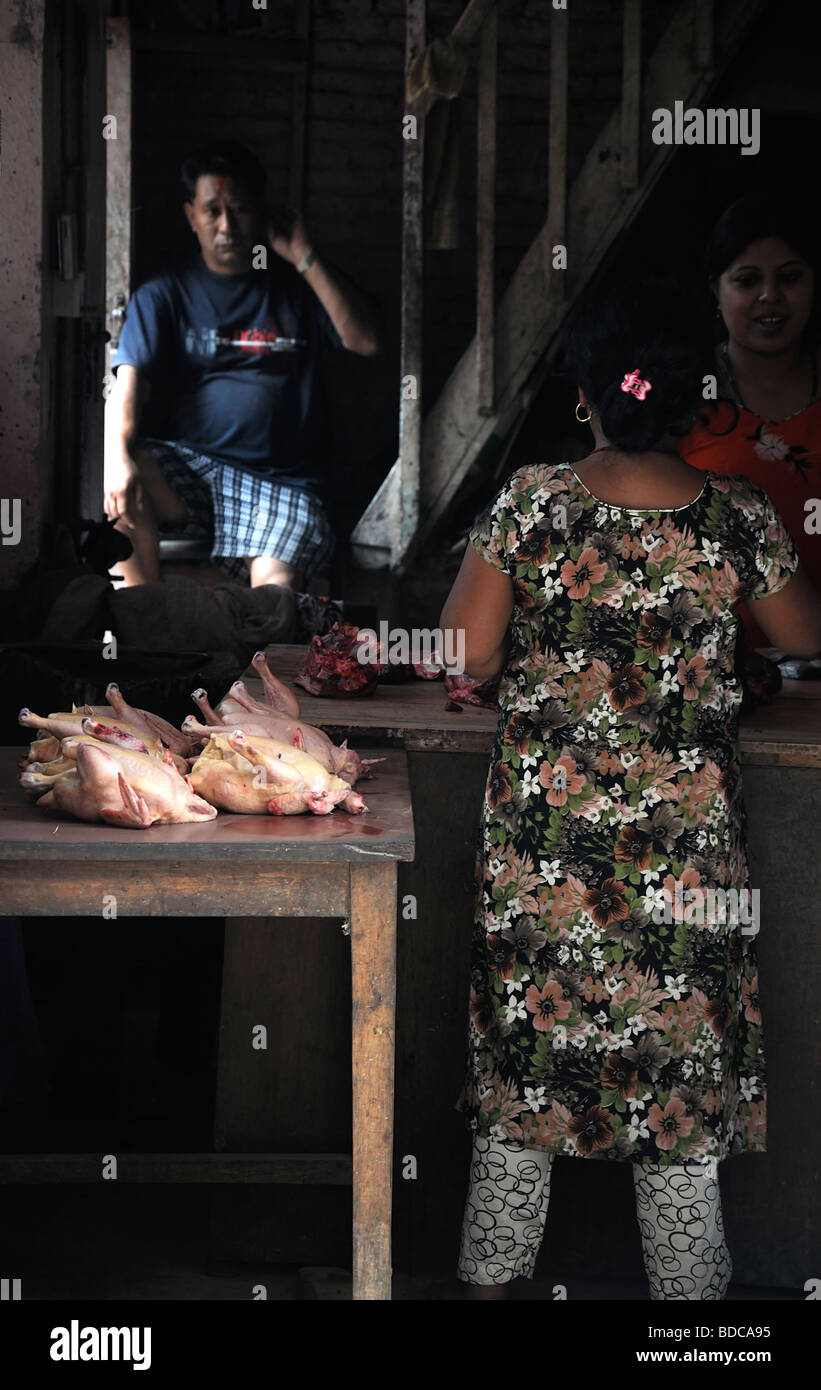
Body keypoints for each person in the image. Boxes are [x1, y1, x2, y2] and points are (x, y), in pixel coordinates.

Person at [440, 274, 821, 1300]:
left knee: (520, 1112)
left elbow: (464, 655)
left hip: (540, 875)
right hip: (682, 885)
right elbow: (803, 638)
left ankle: (490, 1289)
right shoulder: (735, 516)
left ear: (581, 397)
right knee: (677, 1128)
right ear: (694, 400)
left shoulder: (531, 502)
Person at [105, 140, 380, 591]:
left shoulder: (294, 289)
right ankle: (142, 622)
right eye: (212, 210)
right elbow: (127, 389)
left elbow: (366, 342)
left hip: (283, 486)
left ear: (263, 213)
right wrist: (115, 459)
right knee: (124, 468)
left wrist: (302, 255)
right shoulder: (164, 294)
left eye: (240, 209)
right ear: (190, 215)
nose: (227, 225)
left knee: (273, 605)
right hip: (193, 476)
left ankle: (257, 659)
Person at [678, 195, 821, 650]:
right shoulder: (680, 402)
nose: (771, 297)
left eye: (791, 278)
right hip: (709, 669)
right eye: (747, 280)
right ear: (715, 291)